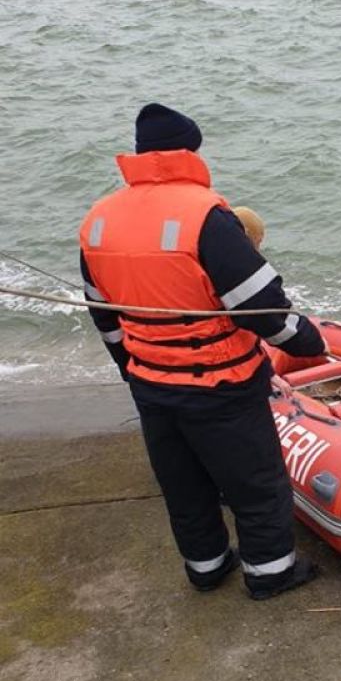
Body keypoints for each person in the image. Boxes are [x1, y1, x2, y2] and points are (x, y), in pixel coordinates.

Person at [79, 103, 326, 598]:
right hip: (221, 384)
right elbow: (260, 307)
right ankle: (270, 574)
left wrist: (133, 369)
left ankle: (207, 567)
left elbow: (104, 316)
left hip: (152, 384)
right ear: (190, 151)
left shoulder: (98, 220)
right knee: (256, 483)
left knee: (184, 485)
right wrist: (307, 342)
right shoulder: (206, 216)